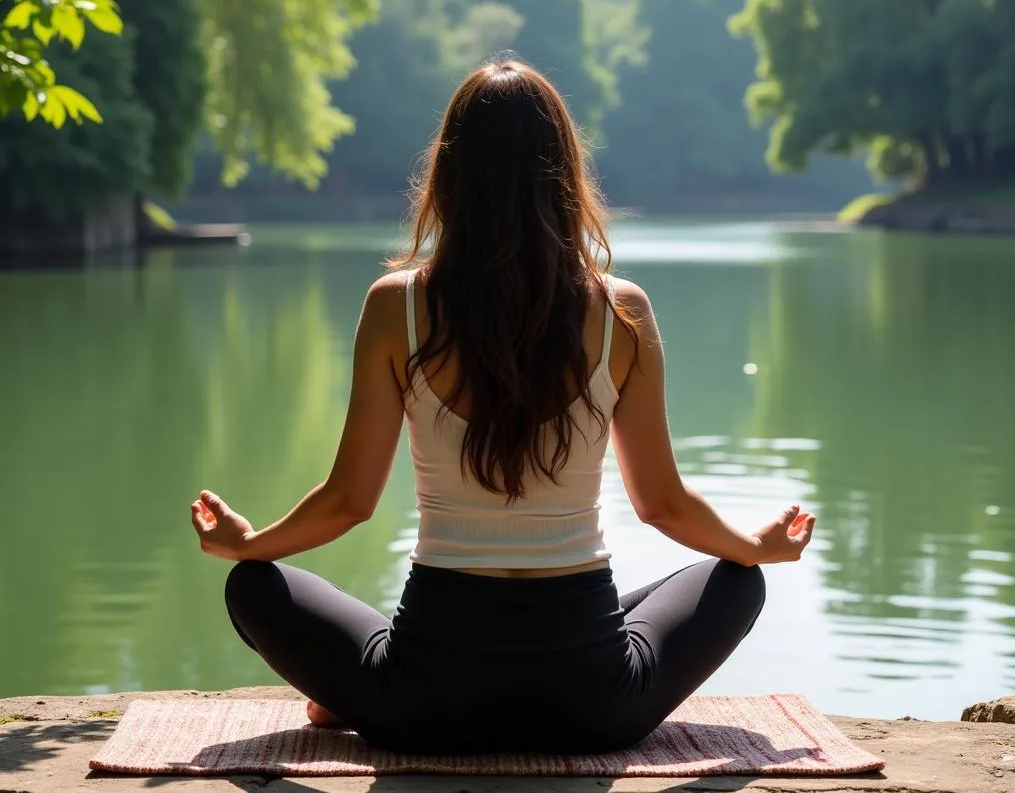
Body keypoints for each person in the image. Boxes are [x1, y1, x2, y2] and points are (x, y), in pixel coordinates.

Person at [190, 60, 815, 755]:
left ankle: (349, 695)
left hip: (423, 703)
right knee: (733, 580)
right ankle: (389, 683)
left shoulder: (397, 307)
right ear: (565, 174)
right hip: (595, 705)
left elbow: (348, 504)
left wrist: (247, 545)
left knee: (253, 587)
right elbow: (662, 506)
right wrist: (755, 547)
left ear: (449, 176)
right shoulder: (621, 312)